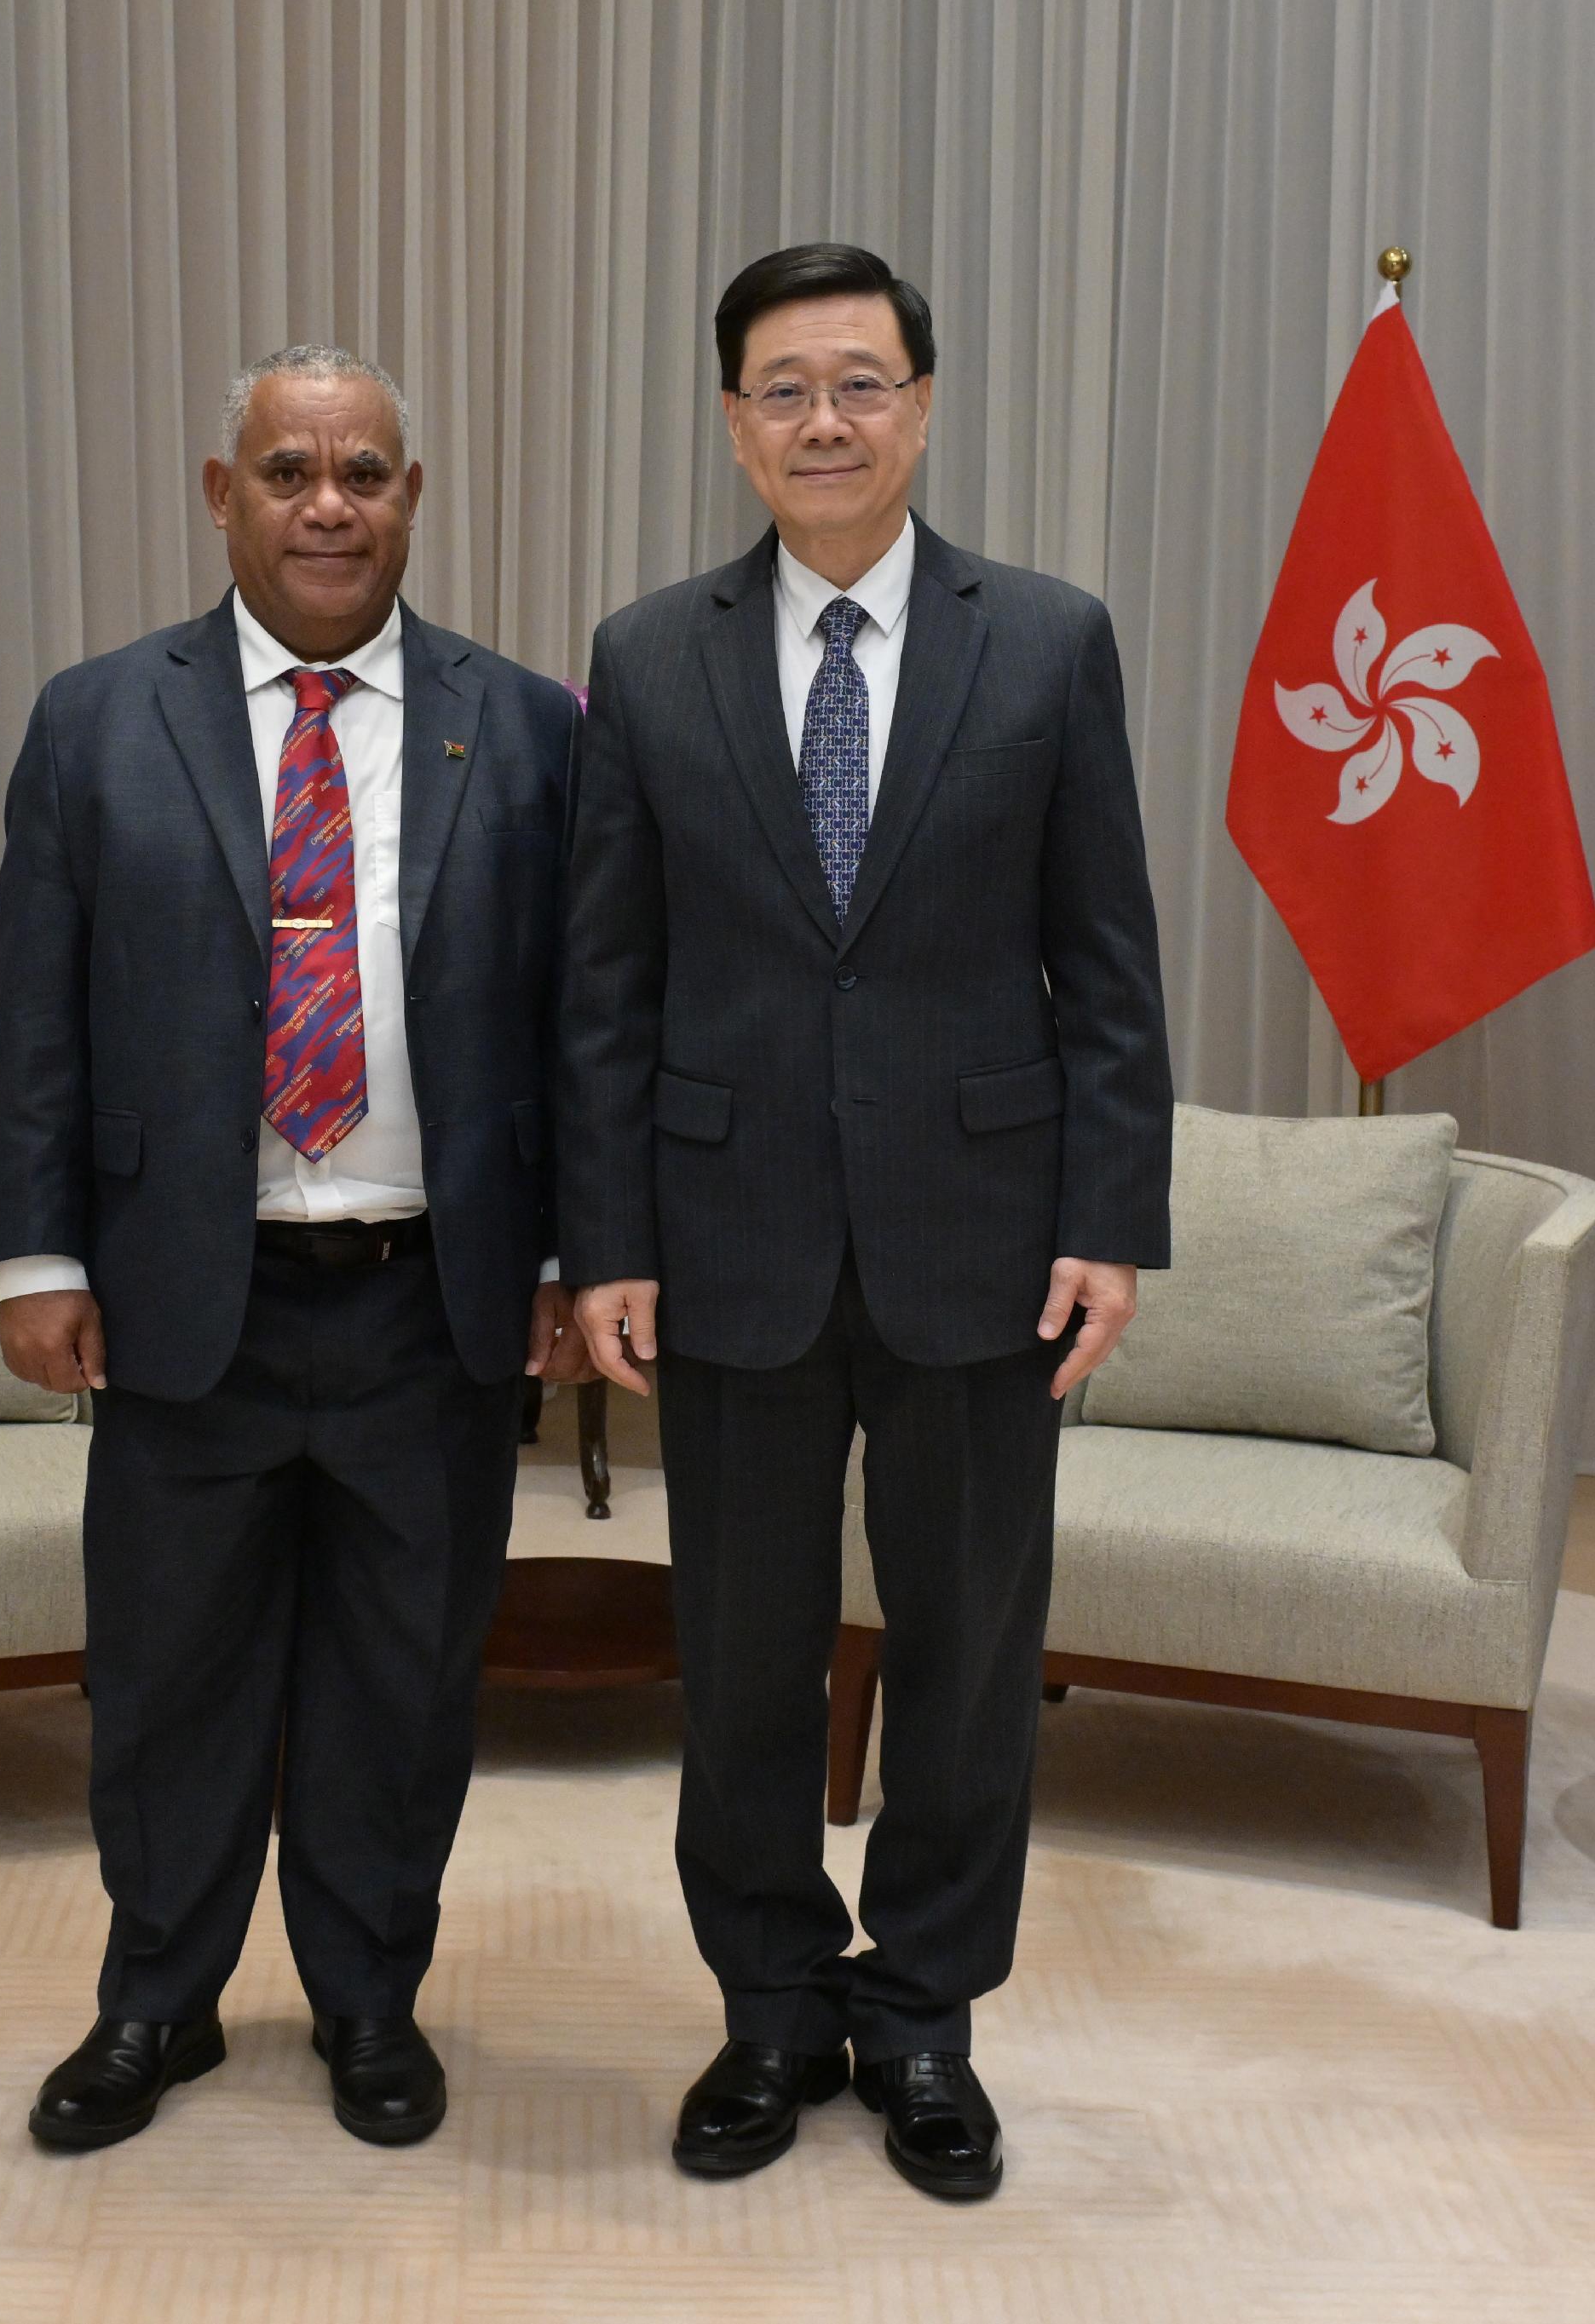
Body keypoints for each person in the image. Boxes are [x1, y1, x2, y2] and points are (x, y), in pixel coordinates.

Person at [559, 245, 1175, 2200]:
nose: (819, 420)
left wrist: (1107, 1217)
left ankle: (920, 2019)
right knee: (738, 1660)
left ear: (918, 404)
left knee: (967, 1659)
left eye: (856, 382)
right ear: (729, 424)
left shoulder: (1046, 642)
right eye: (780, 388)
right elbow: (603, 989)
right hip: (722, 1239)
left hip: (981, 1242)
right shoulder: (645, 656)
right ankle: (766, 2008)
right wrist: (603, 1240)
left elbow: (1107, 965)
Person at [0, 344, 586, 2153]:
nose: (329, 504)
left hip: (432, 1304)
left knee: (400, 1685)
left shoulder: (530, 728)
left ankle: (366, 2001)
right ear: (220, 493)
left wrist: (571, 1252)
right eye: (288, 470)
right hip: (188, 1300)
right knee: (168, 1679)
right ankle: (153, 2003)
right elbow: (38, 1016)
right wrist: (35, 1256)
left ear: (413, 497)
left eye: (364, 473)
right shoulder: (97, 720)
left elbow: (582, 1021)